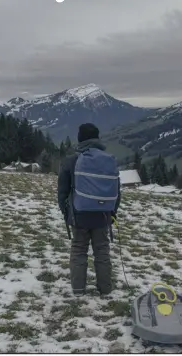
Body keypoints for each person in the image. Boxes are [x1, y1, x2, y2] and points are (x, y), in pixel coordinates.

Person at [57, 123, 121, 297]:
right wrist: (111, 212)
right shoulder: (109, 159)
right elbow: (116, 191)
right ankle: (105, 289)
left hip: (79, 215)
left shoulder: (71, 160)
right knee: (102, 251)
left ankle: (78, 291)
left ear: (80, 139)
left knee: (79, 250)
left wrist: (67, 213)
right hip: (102, 215)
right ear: (97, 138)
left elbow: (62, 192)